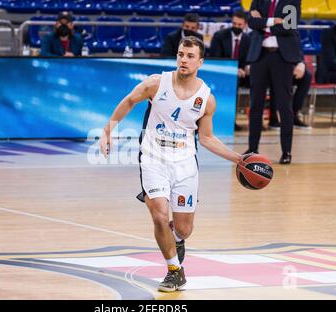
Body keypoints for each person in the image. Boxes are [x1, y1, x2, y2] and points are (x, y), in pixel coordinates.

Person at [99, 36, 242, 292]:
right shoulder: (157, 83)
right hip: (153, 158)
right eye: (180, 55)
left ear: (200, 61)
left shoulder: (206, 98)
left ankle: (176, 239)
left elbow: (207, 138)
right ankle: (174, 270)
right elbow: (130, 100)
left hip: (185, 163)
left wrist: (238, 159)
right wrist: (107, 130)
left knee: (184, 229)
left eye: (189, 56)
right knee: (159, 215)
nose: (183, 60)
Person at [246, 0, 302, 165]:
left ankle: (286, 151)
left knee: (284, 106)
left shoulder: (292, 1)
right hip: (259, 56)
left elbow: (289, 26)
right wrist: (273, 21)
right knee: (256, 103)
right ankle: (252, 148)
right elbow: (251, 22)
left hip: (282, 57)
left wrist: (262, 22)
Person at [209, 10, 251, 131]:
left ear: (245, 25)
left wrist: (247, 67)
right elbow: (216, 60)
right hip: (223, 72)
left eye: (239, 25)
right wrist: (233, 70)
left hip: (243, 74)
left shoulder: (248, 40)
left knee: (260, 79)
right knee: (233, 81)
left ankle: (256, 121)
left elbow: (249, 60)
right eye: (234, 24)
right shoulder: (219, 36)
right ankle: (229, 120)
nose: (236, 27)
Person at [269, 51, 312, 130]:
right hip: (272, 62)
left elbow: (297, 48)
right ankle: (273, 118)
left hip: (289, 64)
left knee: (307, 76)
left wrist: (301, 63)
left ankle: (293, 114)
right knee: (277, 74)